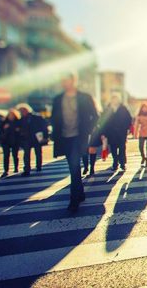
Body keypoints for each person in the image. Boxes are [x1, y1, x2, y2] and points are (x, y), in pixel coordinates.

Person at [51, 73, 98, 212]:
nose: (64, 82)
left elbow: (95, 116)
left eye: (66, 80)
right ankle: (81, 193)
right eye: (62, 80)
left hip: (79, 136)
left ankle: (74, 200)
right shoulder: (58, 99)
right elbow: (53, 118)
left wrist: (87, 131)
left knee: (74, 167)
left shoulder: (84, 97)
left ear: (73, 80)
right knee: (74, 167)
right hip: (65, 137)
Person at [17, 103, 48, 175]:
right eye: (20, 111)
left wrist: (45, 137)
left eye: (22, 111)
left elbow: (44, 126)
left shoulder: (36, 117)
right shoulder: (21, 119)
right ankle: (27, 169)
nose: (21, 112)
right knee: (26, 154)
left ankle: (39, 166)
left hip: (37, 137)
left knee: (38, 152)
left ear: (26, 110)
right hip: (26, 138)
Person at [103, 95, 132, 172]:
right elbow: (104, 121)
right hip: (111, 132)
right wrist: (105, 132)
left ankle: (122, 163)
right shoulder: (108, 109)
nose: (115, 101)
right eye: (113, 99)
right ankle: (115, 162)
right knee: (113, 149)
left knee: (122, 148)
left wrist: (126, 128)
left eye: (116, 99)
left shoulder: (123, 108)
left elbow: (129, 119)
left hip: (121, 132)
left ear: (119, 100)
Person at [0, 109, 21, 178]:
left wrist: (18, 130)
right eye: (10, 115)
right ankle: (6, 170)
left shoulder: (18, 122)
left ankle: (16, 168)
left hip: (15, 141)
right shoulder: (4, 122)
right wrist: (4, 128)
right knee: (6, 156)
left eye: (12, 115)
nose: (11, 116)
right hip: (6, 141)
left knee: (15, 155)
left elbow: (21, 131)